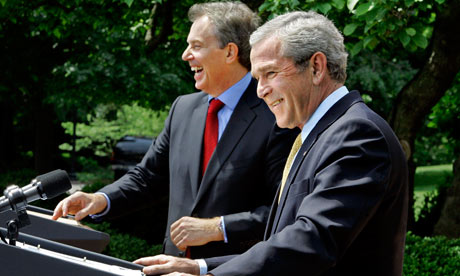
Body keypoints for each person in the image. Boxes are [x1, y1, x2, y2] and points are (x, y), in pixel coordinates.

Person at [138, 10, 409, 276]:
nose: (260, 90)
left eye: (270, 73)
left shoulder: (357, 134)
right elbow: (279, 243)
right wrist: (199, 267)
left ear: (316, 67)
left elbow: (311, 242)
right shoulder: (317, 135)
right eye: (257, 78)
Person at [52, 1, 298, 263]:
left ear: (229, 52)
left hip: (232, 268)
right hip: (172, 265)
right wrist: (100, 198)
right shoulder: (183, 109)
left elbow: (282, 210)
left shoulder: (276, 115)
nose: (185, 55)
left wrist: (218, 228)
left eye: (196, 46)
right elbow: (147, 177)